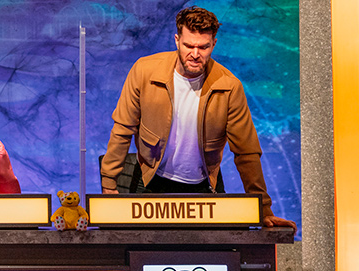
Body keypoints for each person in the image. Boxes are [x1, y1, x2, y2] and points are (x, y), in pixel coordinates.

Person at [100, 7, 295, 229]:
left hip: (203, 186)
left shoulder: (229, 87)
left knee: (216, 256)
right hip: (150, 181)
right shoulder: (144, 71)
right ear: (176, 40)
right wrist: (108, 186)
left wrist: (264, 209)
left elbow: (246, 151)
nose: (195, 53)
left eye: (203, 47)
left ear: (214, 44)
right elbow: (123, 129)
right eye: (188, 45)